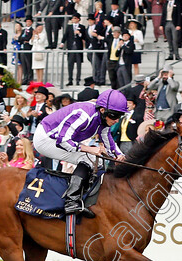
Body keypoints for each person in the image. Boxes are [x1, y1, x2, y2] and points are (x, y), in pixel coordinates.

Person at [34, 89, 126, 217]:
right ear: (102, 110)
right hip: (46, 139)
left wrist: (120, 157)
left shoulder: (102, 119)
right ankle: (71, 202)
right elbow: (63, 141)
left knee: (95, 160)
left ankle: (84, 198)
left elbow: (108, 141)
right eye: (114, 115)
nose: (116, 120)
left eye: (120, 116)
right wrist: (89, 149)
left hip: (57, 139)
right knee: (88, 158)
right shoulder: (84, 114)